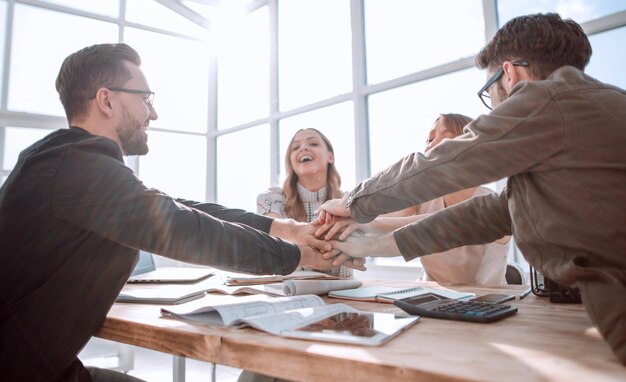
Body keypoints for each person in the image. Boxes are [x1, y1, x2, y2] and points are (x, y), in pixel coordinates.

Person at [0, 43, 364, 382]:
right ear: (106, 101)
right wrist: (299, 254)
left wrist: (282, 228)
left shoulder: (71, 164)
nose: (153, 113)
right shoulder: (75, 166)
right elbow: (181, 225)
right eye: (145, 99)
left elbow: (180, 207)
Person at [316, 13, 626, 364]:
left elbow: (449, 161)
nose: (493, 105)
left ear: (510, 74)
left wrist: (355, 202)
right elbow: (492, 213)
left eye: (489, 90)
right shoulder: (593, 109)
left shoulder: (547, 99)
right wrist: (376, 244)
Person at [317, 113, 510, 285]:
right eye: (429, 139)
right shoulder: (423, 201)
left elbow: (446, 223)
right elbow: (382, 219)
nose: (430, 146)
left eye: (443, 138)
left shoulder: (492, 204)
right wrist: (350, 221)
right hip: (432, 298)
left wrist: (365, 225)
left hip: (488, 304)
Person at [257, 128, 352, 278]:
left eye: (313, 143)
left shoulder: (349, 201)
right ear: (291, 162)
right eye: (296, 147)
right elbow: (272, 241)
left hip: (343, 293)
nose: (303, 148)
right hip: (288, 295)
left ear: (330, 157)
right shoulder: (271, 198)